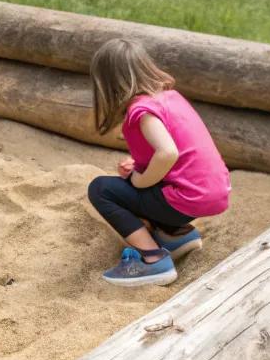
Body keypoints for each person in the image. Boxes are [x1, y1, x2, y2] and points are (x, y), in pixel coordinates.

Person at [87, 37, 231, 287]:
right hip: (213, 193)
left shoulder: (141, 111)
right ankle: (174, 235)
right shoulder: (171, 98)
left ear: (107, 84)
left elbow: (167, 153)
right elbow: (179, 151)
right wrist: (138, 165)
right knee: (133, 185)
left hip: (187, 198)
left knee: (102, 189)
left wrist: (140, 180)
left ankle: (153, 259)